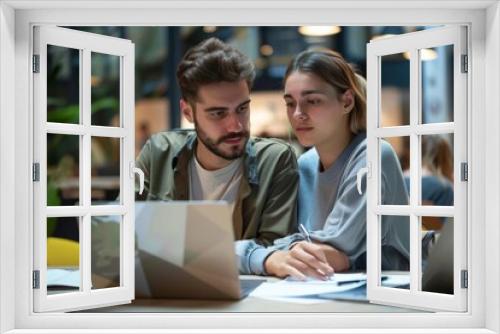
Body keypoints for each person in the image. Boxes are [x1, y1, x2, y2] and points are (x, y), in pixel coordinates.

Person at [134, 37, 299, 275]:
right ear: (188, 112)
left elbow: (274, 252)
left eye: (242, 109)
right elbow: (120, 231)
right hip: (166, 294)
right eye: (218, 113)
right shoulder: (158, 152)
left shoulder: (275, 160)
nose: (235, 126)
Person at [260, 49, 410, 280]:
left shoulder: (372, 156)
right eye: (290, 103)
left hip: (387, 297)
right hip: (321, 291)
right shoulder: (305, 165)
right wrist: (278, 253)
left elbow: (330, 253)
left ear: (347, 102)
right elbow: (295, 246)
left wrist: (264, 255)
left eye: (313, 101)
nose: (298, 113)